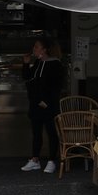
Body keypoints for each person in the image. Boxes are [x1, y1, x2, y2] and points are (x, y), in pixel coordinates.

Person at [21, 37, 64, 173]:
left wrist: (47, 102)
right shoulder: (38, 63)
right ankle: (35, 159)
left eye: (37, 47)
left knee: (51, 132)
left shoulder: (55, 64)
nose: (34, 49)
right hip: (36, 104)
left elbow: (55, 86)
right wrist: (26, 64)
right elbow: (28, 78)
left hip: (48, 105)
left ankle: (52, 160)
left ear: (44, 50)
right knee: (36, 133)